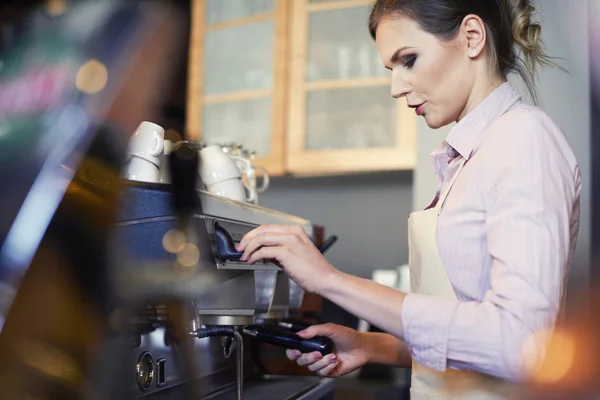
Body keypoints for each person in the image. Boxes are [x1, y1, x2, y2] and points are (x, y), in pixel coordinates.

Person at [237, 0, 582, 398]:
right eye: (392, 69)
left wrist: (329, 280)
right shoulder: (470, 156)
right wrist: (373, 345)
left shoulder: (525, 141)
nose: (396, 87)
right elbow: (471, 335)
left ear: (472, 37)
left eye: (409, 60)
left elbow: (523, 346)